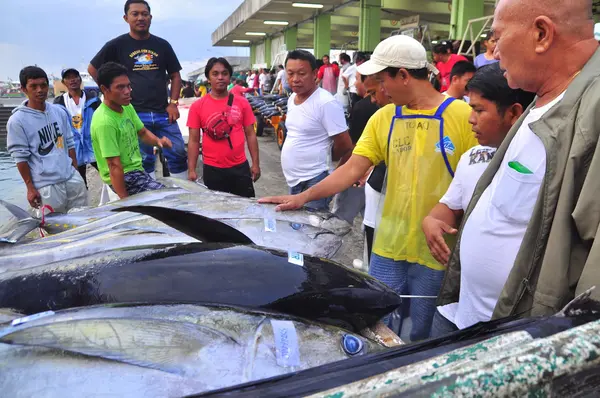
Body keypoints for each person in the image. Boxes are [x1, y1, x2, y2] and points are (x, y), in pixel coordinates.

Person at [260, 36, 477, 341]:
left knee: (423, 332)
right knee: (377, 325)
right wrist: (304, 196)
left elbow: (477, 184)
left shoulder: (463, 118)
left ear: (403, 75)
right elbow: (352, 169)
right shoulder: (384, 117)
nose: (379, 90)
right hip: (388, 246)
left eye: (382, 80)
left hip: (437, 251)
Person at [436, 0, 600, 333]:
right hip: (479, 324)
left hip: (523, 344)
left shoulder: (590, 114)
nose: (493, 54)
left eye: (497, 37)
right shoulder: (543, 100)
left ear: (541, 33)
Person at [88, 0, 188, 179]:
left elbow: (175, 75)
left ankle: (182, 196)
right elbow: (93, 69)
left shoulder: (162, 45)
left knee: (178, 152)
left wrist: (173, 103)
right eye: (135, 14)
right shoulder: (116, 45)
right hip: (134, 113)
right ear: (126, 18)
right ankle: (148, 198)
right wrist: (111, 94)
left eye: (144, 14)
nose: (140, 18)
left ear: (150, 17)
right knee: (142, 159)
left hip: (163, 112)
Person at [277, 50, 353, 211]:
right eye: (290, 74)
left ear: (314, 74)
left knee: (309, 229)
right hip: (295, 179)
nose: (295, 79)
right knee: (297, 227)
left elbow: (345, 145)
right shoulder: (292, 99)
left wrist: (328, 168)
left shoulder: (325, 103)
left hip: (316, 179)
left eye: (301, 73)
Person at [7, 66, 87, 213]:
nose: (40, 90)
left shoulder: (59, 111)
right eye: (34, 86)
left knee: (84, 224)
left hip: (71, 179)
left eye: (43, 85)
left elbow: (69, 143)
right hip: (46, 187)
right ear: (24, 89)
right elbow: (20, 157)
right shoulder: (17, 121)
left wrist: (75, 172)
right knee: (55, 231)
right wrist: (30, 188)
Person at [91, 62, 172, 198]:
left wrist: (158, 141)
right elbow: (113, 165)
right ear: (104, 89)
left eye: (128, 86)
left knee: (173, 194)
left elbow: (142, 132)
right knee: (167, 198)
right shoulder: (104, 121)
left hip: (137, 171)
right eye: (120, 87)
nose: (127, 91)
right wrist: (126, 202)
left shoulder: (126, 106)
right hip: (124, 176)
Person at [187, 57, 260, 198]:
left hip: (240, 168)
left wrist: (255, 164)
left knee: (245, 211)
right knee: (216, 213)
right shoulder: (197, 106)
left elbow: (251, 134)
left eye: (224, 73)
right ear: (208, 78)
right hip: (212, 170)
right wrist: (191, 169)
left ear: (229, 76)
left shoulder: (242, 103)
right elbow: (194, 140)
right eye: (215, 74)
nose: (220, 77)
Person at [332, 73, 380, 225]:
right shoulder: (385, 108)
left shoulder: (362, 108)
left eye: (358, 79)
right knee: (371, 221)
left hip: (358, 174)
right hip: (375, 176)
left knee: (339, 219)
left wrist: (340, 171)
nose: (355, 83)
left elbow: (353, 146)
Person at [53, 68, 101, 189]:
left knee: (109, 174)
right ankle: (84, 205)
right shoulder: (59, 103)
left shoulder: (93, 98)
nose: (72, 80)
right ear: (64, 82)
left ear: (80, 79)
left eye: (75, 76)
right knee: (79, 182)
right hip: (73, 148)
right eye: (68, 78)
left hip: (93, 144)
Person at [361, 74, 391, 263]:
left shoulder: (456, 114)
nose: (373, 100)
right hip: (377, 192)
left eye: (373, 93)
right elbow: (354, 165)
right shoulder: (381, 117)